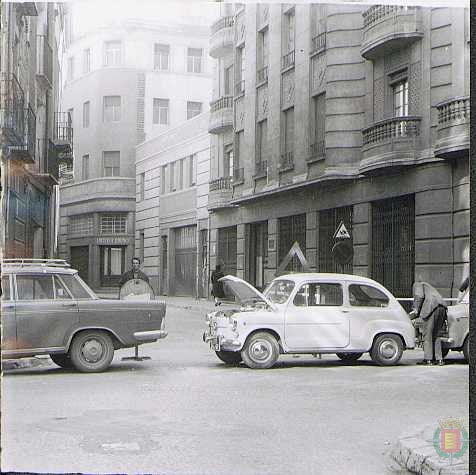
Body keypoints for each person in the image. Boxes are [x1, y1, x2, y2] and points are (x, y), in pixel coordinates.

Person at [409, 281, 447, 366]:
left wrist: (415, 310)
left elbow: (420, 296)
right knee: (436, 335)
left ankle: (428, 359)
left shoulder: (417, 284)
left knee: (428, 334)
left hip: (431, 307)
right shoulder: (428, 286)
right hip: (442, 308)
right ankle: (439, 359)